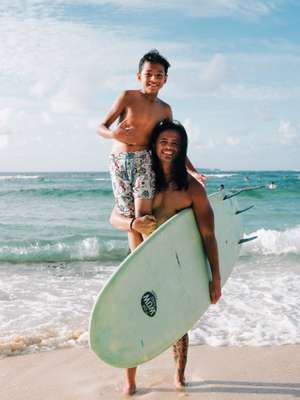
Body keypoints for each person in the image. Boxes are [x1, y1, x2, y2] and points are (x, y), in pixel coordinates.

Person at [110, 119, 221, 395]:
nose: (169, 148)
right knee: (133, 317)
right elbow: (114, 216)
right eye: (164, 142)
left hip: (173, 262)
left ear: (183, 148)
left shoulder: (192, 189)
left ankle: (178, 378)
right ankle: (130, 381)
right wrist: (132, 225)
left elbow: (208, 235)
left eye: (175, 143)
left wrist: (215, 277)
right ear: (154, 145)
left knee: (177, 319)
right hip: (138, 258)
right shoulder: (141, 180)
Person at [98, 49, 205, 253]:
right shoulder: (127, 97)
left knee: (143, 215)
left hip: (144, 161)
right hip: (118, 162)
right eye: (148, 74)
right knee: (130, 217)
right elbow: (100, 127)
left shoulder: (165, 109)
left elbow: (174, 144)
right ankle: (137, 264)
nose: (153, 79)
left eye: (159, 75)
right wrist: (113, 135)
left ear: (165, 79)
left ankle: (152, 257)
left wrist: (192, 171)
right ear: (139, 76)